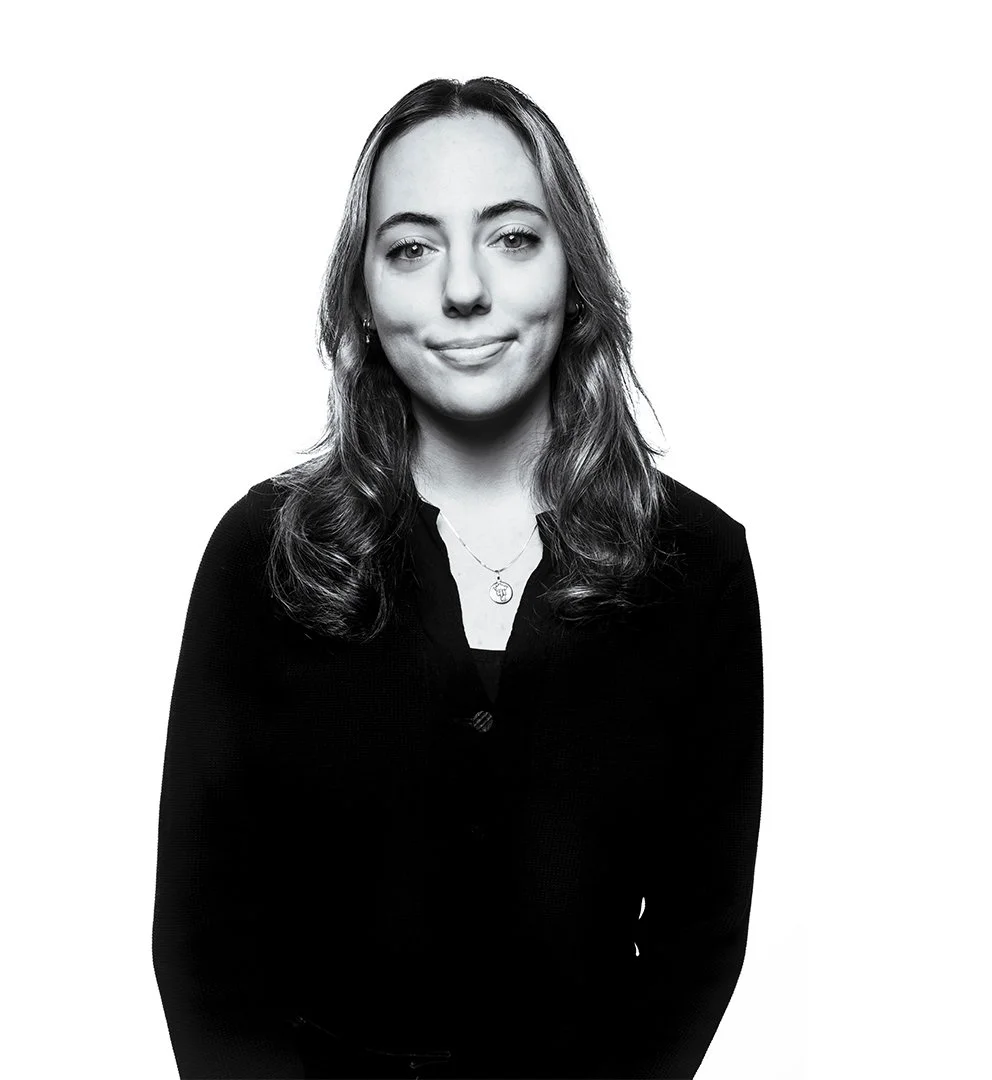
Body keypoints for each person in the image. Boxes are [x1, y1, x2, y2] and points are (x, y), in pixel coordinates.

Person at [152, 76, 763, 1080]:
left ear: (575, 271)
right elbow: (204, 942)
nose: (465, 288)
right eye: (411, 247)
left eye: (513, 237)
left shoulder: (696, 564)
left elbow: (699, 942)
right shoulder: (266, 553)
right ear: (362, 295)